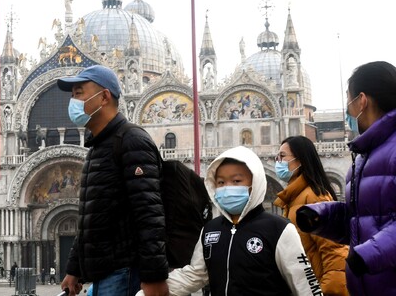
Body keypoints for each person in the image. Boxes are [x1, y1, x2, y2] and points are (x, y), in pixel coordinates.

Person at [56, 65, 168, 296]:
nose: (73, 101)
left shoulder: (131, 141)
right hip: (105, 274)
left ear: (104, 97)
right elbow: (92, 218)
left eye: (79, 93)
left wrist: (154, 278)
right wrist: (74, 269)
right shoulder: (99, 146)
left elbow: (149, 215)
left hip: (124, 272)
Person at [154, 146, 321, 295]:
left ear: (254, 183)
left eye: (236, 181)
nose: (227, 187)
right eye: (220, 182)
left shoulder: (279, 229)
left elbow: (304, 284)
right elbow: (195, 274)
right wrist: (151, 290)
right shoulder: (210, 230)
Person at [297, 61, 396, 295]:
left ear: (362, 101)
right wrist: (322, 217)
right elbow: (366, 219)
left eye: (348, 101)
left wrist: (365, 255)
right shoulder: (363, 156)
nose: (348, 110)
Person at [273, 136, 349, 295]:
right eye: (277, 157)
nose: (277, 162)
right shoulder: (293, 199)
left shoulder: (315, 197)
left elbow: (335, 254)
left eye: (282, 156)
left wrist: (327, 292)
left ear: (300, 160)